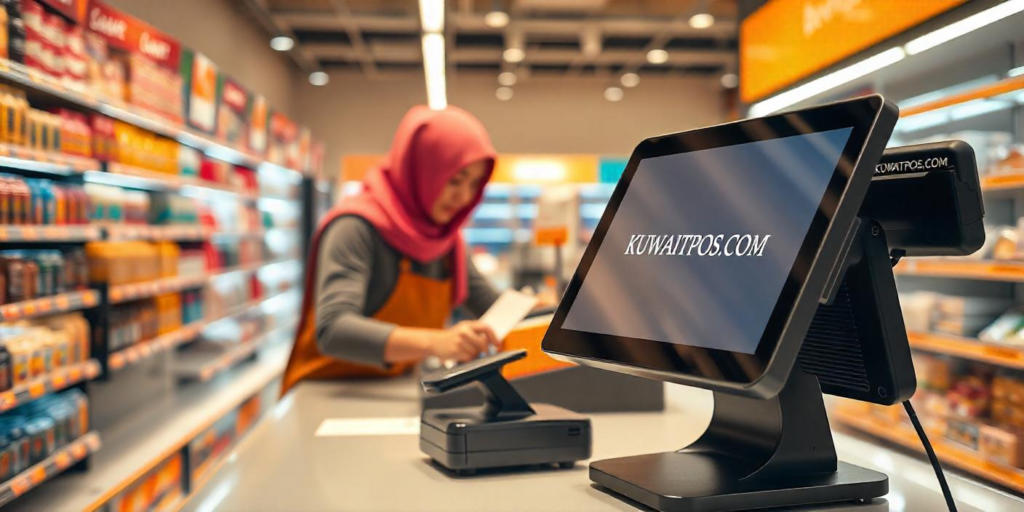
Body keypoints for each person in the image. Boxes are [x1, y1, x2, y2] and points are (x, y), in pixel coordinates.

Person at [281, 106, 502, 395]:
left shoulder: (448, 242)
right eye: (455, 180)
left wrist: (550, 312)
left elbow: (492, 307)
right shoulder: (354, 227)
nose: (463, 197)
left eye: (474, 184)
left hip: (392, 391)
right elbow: (333, 329)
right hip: (324, 393)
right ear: (422, 171)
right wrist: (435, 341)